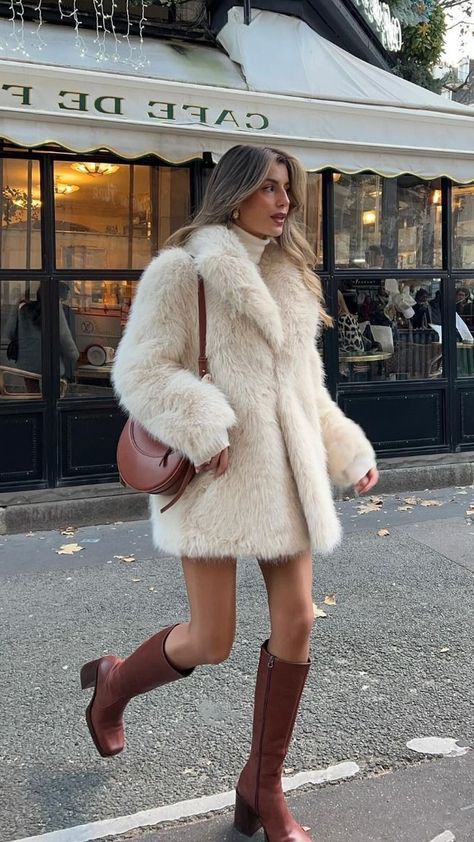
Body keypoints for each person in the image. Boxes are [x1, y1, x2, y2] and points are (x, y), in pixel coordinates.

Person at [80, 145, 379, 842]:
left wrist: (348, 453)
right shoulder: (183, 271)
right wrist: (203, 424)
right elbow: (142, 370)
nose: (284, 203)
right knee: (212, 639)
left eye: (289, 191)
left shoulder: (292, 280)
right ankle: (114, 684)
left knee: (299, 621)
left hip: (286, 481)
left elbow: (307, 394)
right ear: (236, 191)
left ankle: (263, 787)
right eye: (271, 188)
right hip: (214, 478)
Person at [6, 282, 79, 391]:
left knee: (33, 394)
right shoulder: (55, 309)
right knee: (52, 395)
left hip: (27, 364)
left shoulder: (23, 310)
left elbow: (10, 333)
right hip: (50, 363)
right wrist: (75, 356)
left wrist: (16, 306)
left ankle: (34, 404)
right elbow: (64, 337)